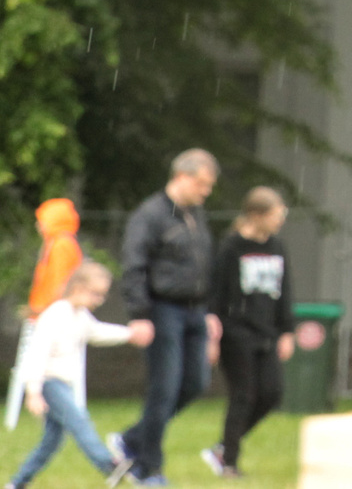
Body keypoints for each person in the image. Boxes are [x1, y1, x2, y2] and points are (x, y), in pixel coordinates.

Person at [204, 188, 320, 479]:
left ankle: (222, 448)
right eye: (276, 215)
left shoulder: (277, 246)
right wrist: (213, 334)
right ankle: (228, 462)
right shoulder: (231, 247)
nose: (280, 222)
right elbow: (216, 293)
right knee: (243, 395)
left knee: (272, 393)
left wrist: (286, 331)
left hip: (267, 332)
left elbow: (285, 290)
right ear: (256, 215)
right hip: (236, 332)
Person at [117, 151, 218, 485]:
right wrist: (140, 314)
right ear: (182, 176)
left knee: (195, 383)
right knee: (164, 388)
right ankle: (148, 467)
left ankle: (131, 440)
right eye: (202, 184)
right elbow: (134, 265)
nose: (206, 192)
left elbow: (203, 266)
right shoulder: (150, 215)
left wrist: (211, 312)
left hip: (195, 311)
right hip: (163, 310)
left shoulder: (195, 215)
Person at [7, 262, 134, 488]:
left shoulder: (80, 315)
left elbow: (96, 332)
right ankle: (109, 465)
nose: (99, 300)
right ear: (77, 287)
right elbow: (37, 354)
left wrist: (129, 334)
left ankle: (17, 483)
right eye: (95, 294)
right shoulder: (56, 314)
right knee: (79, 421)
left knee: (50, 442)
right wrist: (33, 392)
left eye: (102, 295)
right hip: (48, 382)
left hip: (62, 384)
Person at [7, 200, 85, 431]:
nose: (38, 226)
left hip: (50, 316)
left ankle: (49, 409)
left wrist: (42, 310)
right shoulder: (59, 243)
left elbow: (59, 283)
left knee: (38, 365)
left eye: (42, 220)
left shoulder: (61, 244)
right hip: (47, 313)